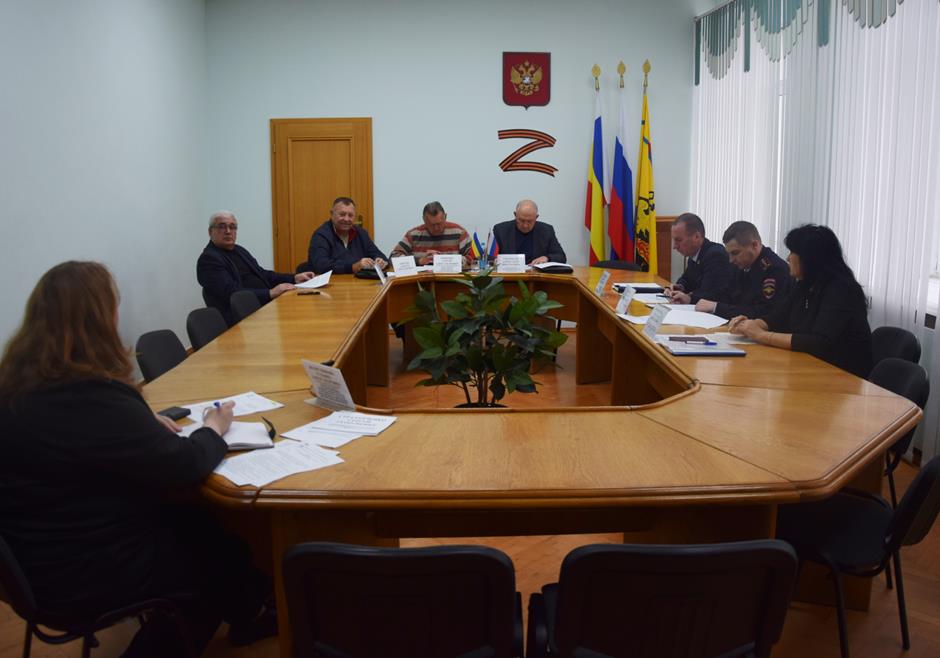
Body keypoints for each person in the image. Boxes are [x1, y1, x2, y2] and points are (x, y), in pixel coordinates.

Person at [0, 261, 275, 657]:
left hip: (28, 567)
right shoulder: (94, 396)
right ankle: (243, 609)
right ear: (100, 319)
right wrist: (213, 428)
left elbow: (81, 442)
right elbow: (185, 465)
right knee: (212, 564)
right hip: (82, 573)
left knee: (201, 525)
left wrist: (139, 422)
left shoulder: (17, 390)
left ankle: (249, 609)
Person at [730, 224, 873, 378]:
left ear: (809, 258)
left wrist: (762, 336)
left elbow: (819, 342)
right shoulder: (805, 284)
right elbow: (778, 316)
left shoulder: (841, 289)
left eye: (792, 252)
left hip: (842, 376)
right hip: (810, 368)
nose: (787, 258)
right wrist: (752, 325)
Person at [197, 210, 313, 326]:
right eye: (222, 227)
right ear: (210, 231)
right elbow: (231, 292)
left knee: (305, 312)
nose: (228, 231)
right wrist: (269, 293)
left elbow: (262, 274)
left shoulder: (239, 250)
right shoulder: (208, 259)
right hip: (242, 318)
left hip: (262, 308)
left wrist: (294, 278)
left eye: (232, 227)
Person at [694, 220, 792, 319]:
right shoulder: (743, 265)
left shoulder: (774, 270)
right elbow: (726, 294)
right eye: (729, 254)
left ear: (754, 245)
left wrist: (716, 307)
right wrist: (692, 298)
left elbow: (764, 313)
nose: (731, 260)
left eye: (735, 253)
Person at [303, 196, 388, 274]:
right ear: (332, 214)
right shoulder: (321, 235)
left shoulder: (361, 233)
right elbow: (321, 266)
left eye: (350, 215)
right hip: (331, 283)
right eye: (342, 214)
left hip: (357, 282)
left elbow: (379, 255)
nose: (347, 219)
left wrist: (381, 262)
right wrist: (353, 267)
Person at [666, 213, 734, 304]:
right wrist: (679, 287)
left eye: (678, 240)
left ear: (696, 237)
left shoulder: (716, 255)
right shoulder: (694, 253)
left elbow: (711, 295)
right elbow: (686, 279)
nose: (674, 246)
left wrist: (689, 298)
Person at [389, 201, 472, 267]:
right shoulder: (414, 235)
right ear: (424, 220)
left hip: (451, 280)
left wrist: (447, 260)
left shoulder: (459, 233)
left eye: (439, 224)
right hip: (421, 281)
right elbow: (393, 257)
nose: (436, 228)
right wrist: (418, 261)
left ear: (445, 217)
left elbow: (474, 257)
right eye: (432, 225)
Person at [492, 199, 566, 264]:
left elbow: (561, 257)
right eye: (522, 220)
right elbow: (489, 257)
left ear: (536, 217)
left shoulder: (546, 231)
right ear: (515, 215)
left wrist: (547, 258)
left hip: (536, 274)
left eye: (530, 221)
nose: (525, 225)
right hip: (509, 274)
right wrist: (496, 260)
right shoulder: (500, 230)